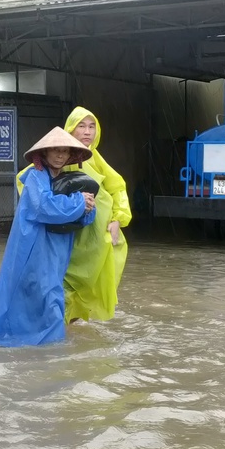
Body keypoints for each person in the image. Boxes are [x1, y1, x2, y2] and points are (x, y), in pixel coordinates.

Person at [0, 127, 97, 347]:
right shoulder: (36, 178)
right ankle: (53, 350)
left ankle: (40, 348)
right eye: (55, 150)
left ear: (69, 155)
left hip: (57, 250)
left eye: (64, 151)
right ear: (44, 154)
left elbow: (82, 217)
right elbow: (43, 207)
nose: (59, 155)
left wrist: (88, 207)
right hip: (35, 247)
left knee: (46, 295)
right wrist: (79, 202)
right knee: (47, 297)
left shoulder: (69, 180)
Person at [58, 106, 132, 323]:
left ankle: (66, 335)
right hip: (72, 233)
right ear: (70, 129)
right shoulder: (58, 154)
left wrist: (118, 219)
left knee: (88, 282)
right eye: (81, 126)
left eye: (92, 126)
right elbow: (31, 183)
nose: (87, 132)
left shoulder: (95, 158)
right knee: (66, 280)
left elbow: (118, 186)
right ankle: (59, 335)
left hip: (98, 234)